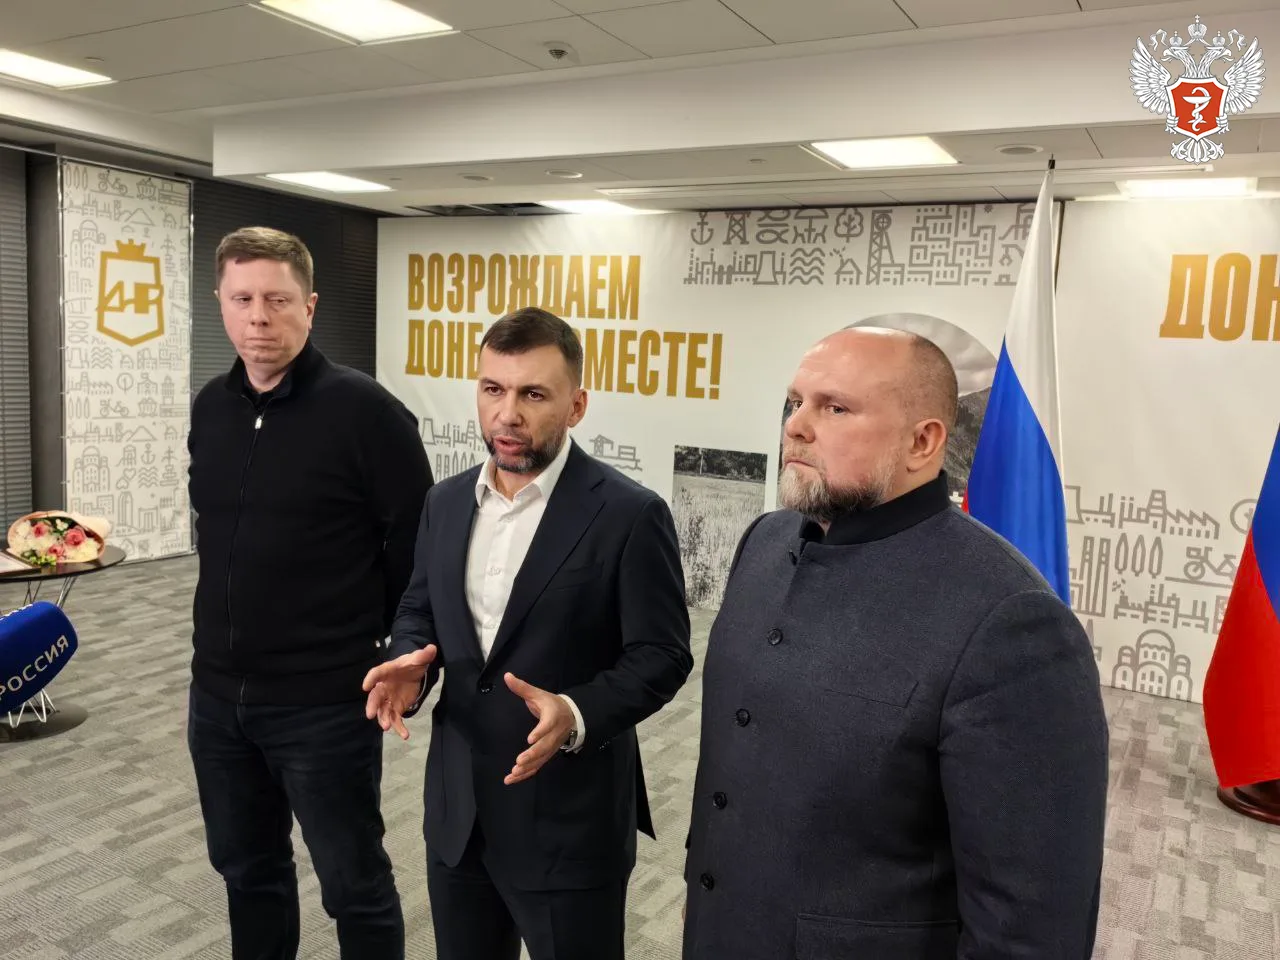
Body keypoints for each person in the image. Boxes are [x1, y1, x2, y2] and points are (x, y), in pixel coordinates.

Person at [682, 327, 1109, 959]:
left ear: (922, 441)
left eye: (835, 407)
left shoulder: (1011, 621)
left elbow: (1029, 920)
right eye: (795, 402)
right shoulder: (765, 542)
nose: (795, 426)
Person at [362, 306, 693, 960]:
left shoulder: (629, 514)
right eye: (493, 389)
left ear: (576, 405)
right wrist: (410, 663)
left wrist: (576, 712)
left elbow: (662, 654)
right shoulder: (444, 502)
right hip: (459, 815)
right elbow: (419, 606)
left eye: (533, 394)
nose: (507, 414)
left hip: (568, 823)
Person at [186, 226, 431, 959]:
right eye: (242, 299)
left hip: (324, 702)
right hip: (218, 699)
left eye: (277, 299)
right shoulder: (211, 407)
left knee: (354, 885)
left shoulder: (367, 413)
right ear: (221, 303)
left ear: (310, 306)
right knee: (246, 871)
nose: (258, 317)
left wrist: (395, 650)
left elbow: (418, 549)